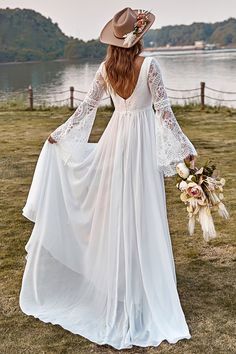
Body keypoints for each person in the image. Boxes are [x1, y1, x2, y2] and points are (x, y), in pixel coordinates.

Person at [19, 7, 197, 350]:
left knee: (118, 211)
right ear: (139, 37)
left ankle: (122, 284)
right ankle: (140, 287)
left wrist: (61, 133)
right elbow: (164, 114)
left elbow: (86, 108)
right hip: (141, 142)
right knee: (141, 211)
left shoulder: (106, 69)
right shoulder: (150, 65)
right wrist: (185, 147)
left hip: (116, 141)